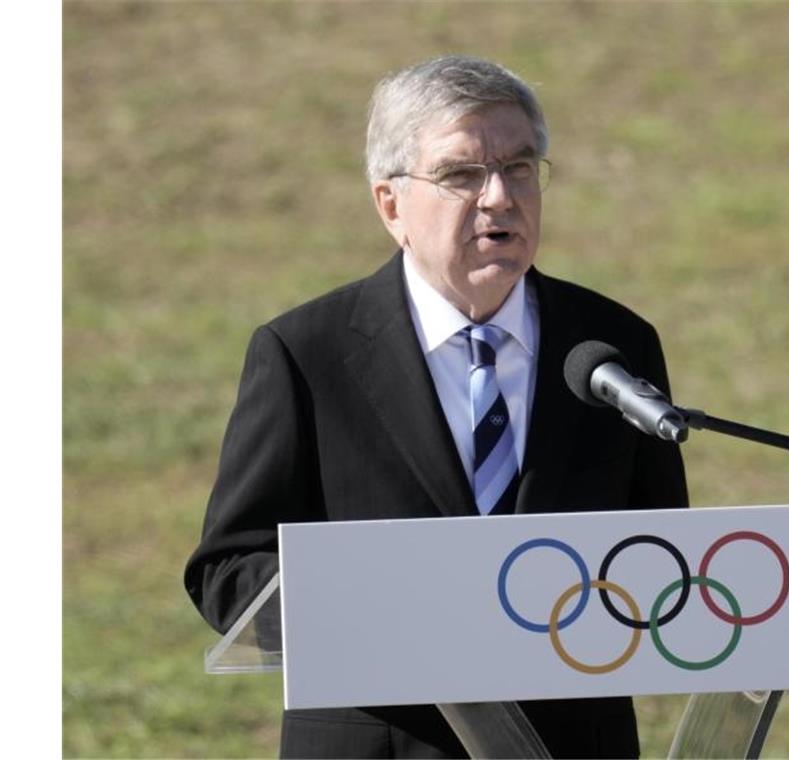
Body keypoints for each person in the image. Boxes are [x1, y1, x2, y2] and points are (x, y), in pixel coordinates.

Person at [185, 55, 688, 759]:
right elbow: (229, 570)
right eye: (460, 174)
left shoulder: (611, 347)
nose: (498, 197)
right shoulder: (307, 354)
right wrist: (382, 608)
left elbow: (663, 555)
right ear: (391, 204)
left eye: (519, 167)